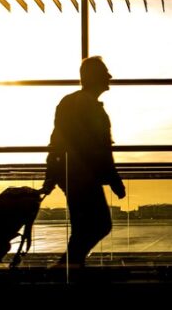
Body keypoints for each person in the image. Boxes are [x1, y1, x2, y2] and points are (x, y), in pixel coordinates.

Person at [40, 56, 126, 268]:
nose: (109, 76)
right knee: (99, 224)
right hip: (82, 175)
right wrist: (114, 180)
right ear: (94, 76)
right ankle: (68, 267)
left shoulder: (71, 102)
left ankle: (70, 267)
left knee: (84, 227)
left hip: (72, 173)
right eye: (105, 72)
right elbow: (99, 149)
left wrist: (51, 175)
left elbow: (57, 141)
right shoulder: (89, 106)